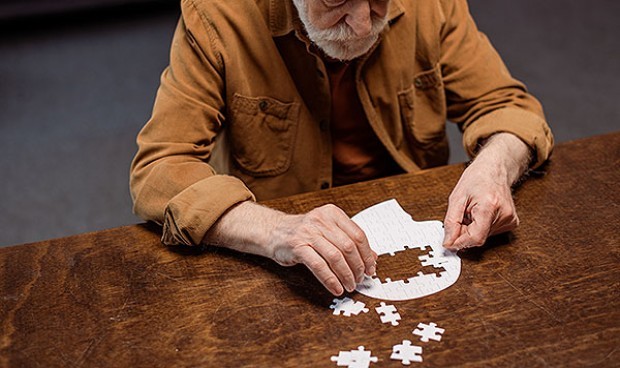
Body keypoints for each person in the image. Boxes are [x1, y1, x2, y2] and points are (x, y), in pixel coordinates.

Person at [130, 0, 554, 296]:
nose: (364, 25)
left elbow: (507, 107)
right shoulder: (216, 14)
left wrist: (494, 166)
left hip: (421, 230)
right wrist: (276, 230)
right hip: (283, 253)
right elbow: (161, 167)